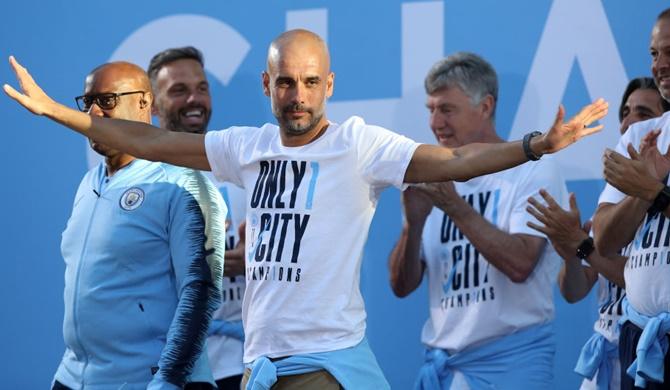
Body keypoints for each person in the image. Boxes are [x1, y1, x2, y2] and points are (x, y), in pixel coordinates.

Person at [5, 29, 607, 389]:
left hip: (323, 364)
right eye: (286, 83)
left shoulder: (359, 145)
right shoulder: (247, 146)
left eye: (311, 82)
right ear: (268, 87)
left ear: (330, 85)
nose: (298, 96)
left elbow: (452, 164)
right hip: (260, 364)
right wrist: (61, 112)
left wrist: (537, 146)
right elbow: (153, 141)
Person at [387, 52, 567, 389]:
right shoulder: (433, 176)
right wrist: (412, 228)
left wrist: (455, 207)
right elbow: (402, 286)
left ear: (485, 107)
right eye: (431, 109)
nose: (435, 123)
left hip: (514, 365)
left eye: (447, 109)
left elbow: (521, 264)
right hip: (442, 367)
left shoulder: (533, 169)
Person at [49, 62, 226, 390]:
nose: (93, 113)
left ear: (145, 103)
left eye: (106, 101)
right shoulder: (89, 182)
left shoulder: (182, 182)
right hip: (76, 378)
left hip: (152, 380)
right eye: (87, 102)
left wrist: (169, 379)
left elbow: (201, 291)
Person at [526, 76, 669, 390]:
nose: (630, 121)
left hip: (643, 349)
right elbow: (573, 291)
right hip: (606, 350)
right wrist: (571, 255)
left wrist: (585, 248)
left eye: (643, 114)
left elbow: (638, 275)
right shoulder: (613, 201)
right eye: (625, 112)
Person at [147, 46, 246, 390]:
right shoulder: (142, 185)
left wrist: (258, 261)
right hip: (170, 368)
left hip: (243, 365)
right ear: (153, 105)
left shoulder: (242, 172)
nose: (194, 98)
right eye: (179, 90)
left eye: (202, 88)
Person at [594, 8, 670, 389]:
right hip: (639, 339)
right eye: (655, 54)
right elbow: (604, 239)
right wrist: (642, 197)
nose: (661, 65)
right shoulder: (641, 138)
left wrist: (653, 193)